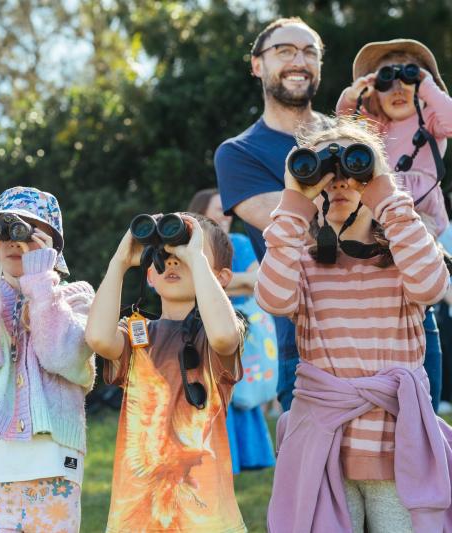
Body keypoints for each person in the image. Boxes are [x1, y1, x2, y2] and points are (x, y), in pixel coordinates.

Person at [258, 118, 452, 532]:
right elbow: (272, 298)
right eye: (328, 175)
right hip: (325, 454)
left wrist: (386, 194)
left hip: (396, 451)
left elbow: (433, 285)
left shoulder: (403, 255)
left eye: (354, 169)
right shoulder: (302, 263)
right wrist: (294, 202)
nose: (341, 182)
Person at [0, 186, 94, 532]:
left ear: (52, 246)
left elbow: (61, 356)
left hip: (53, 464)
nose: (15, 241)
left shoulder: (76, 297)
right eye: (3, 230)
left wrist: (41, 282)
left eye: (28, 230)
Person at [86, 213, 246, 532]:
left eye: (187, 254)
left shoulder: (219, 333)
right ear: (150, 274)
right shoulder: (136, 335)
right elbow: (99, 338)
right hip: (137, 519)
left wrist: (195, 256)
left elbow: (225, 337)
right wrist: (120, 261)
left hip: (207, 521)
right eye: (165, 254)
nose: (173, 261)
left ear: (220, 277)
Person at [215, 17, 328, 411]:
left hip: (383, 332)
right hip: (305, 337)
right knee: (311, 469)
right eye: (284, 51)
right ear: (257, 64)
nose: (299, 61)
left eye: (309, 52)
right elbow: (303, 230)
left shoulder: (352, 138)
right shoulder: (239, 153)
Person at [337, 39, 452, 411]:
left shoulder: (430, 119)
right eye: (386, 80)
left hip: (422, 219)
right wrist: (355, 94)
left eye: (407, 77)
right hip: (380, 221)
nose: (398, 87)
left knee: (418, 288)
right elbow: (345, 131)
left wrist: (425, 84)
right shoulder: (376, 127)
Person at [188, 189, 276, 473]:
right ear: (201, 212)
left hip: (238, 331)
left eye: (227, 210)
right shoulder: (189, 249)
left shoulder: (239, 243)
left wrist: (209, 281)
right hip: (200, 333)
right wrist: (232, 283)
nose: (226, 215)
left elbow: (257, 281)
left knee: (239, 391)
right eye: (218, 209)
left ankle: (238, 459)